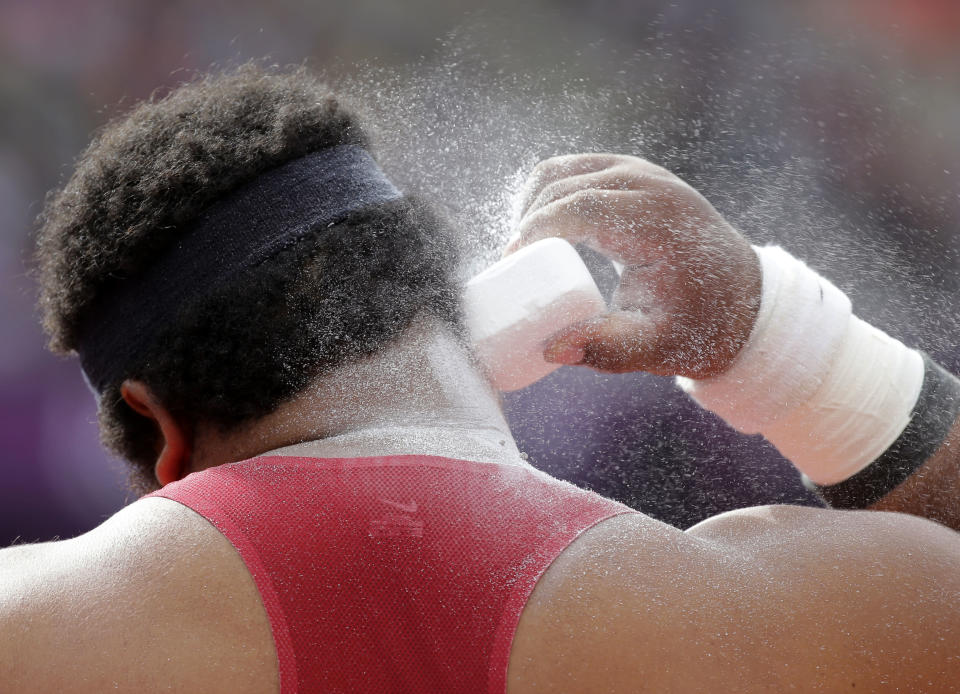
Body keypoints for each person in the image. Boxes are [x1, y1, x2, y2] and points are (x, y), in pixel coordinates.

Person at [3, 64, 958, 692]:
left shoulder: (29, 630)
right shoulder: (780, 622)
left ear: (158, 433)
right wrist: (783, 344)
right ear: (458, 311)